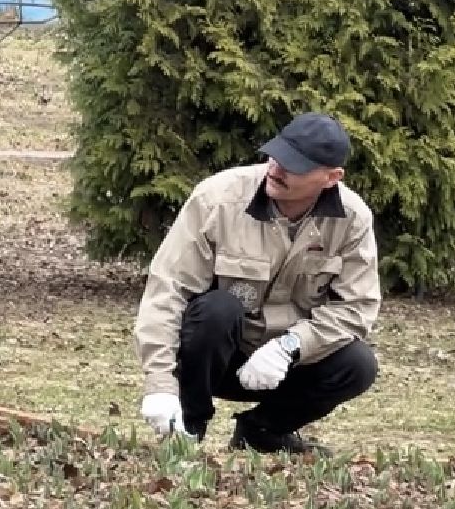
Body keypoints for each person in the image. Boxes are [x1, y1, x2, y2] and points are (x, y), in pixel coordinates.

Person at [133, 111, 382, 454]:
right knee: (216, 310)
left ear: (331, 177)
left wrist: (292, 345)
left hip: (284, 367)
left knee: (358, 364)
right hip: (212, 358)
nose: (275, 169)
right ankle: (187, 430)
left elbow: (356, 309)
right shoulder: (218, 199)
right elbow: (168, 290)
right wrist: (160, 385)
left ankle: (262, 431)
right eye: (276, 156)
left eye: (293, 165)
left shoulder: (353, 220)